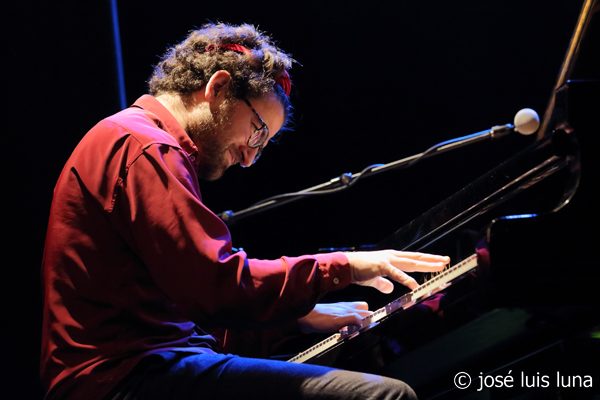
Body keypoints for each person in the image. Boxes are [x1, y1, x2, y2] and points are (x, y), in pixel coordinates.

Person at [40, 22, 450, 400]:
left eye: (263, 145)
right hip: (125, 381)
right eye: (257, 132)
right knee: (385, 396)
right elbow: (217, 287)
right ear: (218, 87)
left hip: (141, 371)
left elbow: (187, 313)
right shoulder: (146, 147)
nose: (251, 159)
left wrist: (298, 319)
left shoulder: (137, 139)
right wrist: (344, 266)